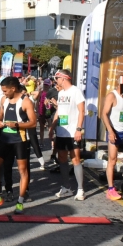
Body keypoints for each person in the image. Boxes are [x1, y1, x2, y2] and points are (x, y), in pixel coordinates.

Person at [0, 77, 37, 213]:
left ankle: (20, 201)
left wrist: (16, 124)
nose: (4, 94)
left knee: (22, 171)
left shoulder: (25, 102)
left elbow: (33, 123)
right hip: (5, 139)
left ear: (13, 88)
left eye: (5, 91)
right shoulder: (4, 100)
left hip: (19, 140)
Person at [49, 69, 87, 201]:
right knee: (62, 158)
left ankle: (80, 189)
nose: (56, 82)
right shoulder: (60, 93)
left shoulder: (76, 91)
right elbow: (59, 111)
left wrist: (78, 129)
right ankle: (66, 186)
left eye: (57, 79)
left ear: (63, 78)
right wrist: (52, 127)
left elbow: (82, 111)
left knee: (75, 159)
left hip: (72, 131)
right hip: (61, 131)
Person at [99, 84, 123, 201]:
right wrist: (111, 131)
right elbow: (104, 114)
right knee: (112, 160)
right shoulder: (112, 95)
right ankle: (111, 189)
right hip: (115, 132)